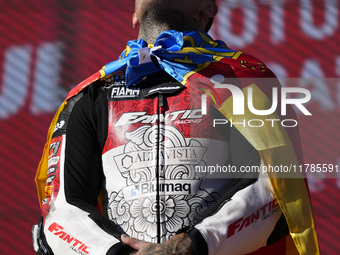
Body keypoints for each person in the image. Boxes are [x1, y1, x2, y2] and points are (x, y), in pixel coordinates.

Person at [32, 0, 319, 254]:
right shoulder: (92, 94)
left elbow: (276, 188)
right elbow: (61, 209)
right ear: (134, 14)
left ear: (208, 8)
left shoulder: (244, 80)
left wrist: (193, 245)